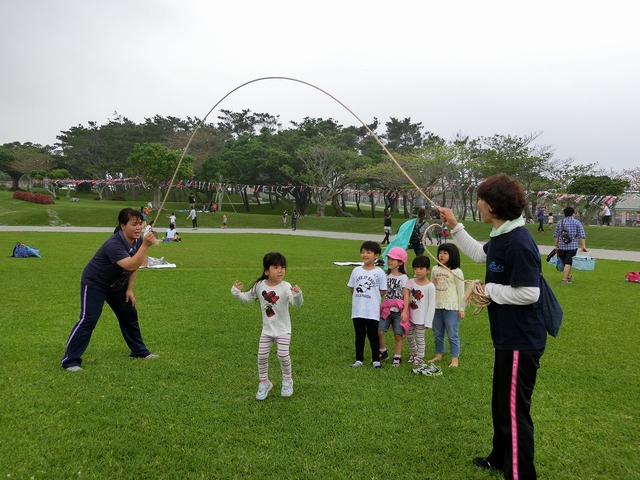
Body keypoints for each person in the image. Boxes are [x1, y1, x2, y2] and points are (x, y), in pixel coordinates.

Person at [439, 174, 546, 479]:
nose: (478, 204)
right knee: (502, 404)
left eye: (481, 199)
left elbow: (530, 293)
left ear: (493, 206)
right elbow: (482, 254)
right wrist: (455, 225)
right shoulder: (502, 234)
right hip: (507, 337)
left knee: (514, 410)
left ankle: (520, 474)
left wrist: (490, 290)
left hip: (521, 339)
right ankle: (500, 459)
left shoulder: (519, 242)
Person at [60, 208, 159, 372]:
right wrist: (145, 245)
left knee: (129, 314)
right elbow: (130, 265)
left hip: (116, 285)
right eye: (134, 224)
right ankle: (70, 361)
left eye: (140, 224)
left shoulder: (138, 241)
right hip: (95, 284)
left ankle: (139, 351)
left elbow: (136, 265)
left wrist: (129, 289)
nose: (138, 228)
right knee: (88, 320)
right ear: (122, 225)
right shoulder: (114, 244)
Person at [231, 252, 303, 400]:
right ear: (266, 271)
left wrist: (298, 295)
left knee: (283, 355)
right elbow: (247, 297)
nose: (280, 270)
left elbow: (296, 304)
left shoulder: (286, 286)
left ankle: (287, 381)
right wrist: (236, 293)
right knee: (262, 356)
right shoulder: (260, 285)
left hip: (283, 330)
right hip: (267, 330)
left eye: (283, 267)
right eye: (275, 267)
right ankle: (264, 383)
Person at [347, 241, 387, 368]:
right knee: (359, 335)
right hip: (358, 310)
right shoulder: (356, 271)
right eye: (363, 252)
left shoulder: (379, 272)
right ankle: (359, 359)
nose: (365, 255)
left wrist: (372, 297)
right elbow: (352, 288)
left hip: (372, 310)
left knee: (373, 335)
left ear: (376, 255)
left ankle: (376, 360)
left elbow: (383, 291)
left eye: (368, 252)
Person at [428, 243, 465, 368]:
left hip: (451, 308)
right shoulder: (435, 269)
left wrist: (461, 308)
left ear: (452, 255)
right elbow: (432, 287)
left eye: (445, 253)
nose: (441, 255)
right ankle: (438, 355)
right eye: (440, 252)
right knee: (438, 334)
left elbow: (461, 291)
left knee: (452, 334)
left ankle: (455, 359)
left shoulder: (457, 272)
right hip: (436, 307)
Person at [378, 247, 410, 366]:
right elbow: (382, 292)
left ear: (401, 262)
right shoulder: (385, 276)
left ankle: (397, 356)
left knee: (398, 334)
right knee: (379, 331)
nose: (390, 261)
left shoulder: (403, 278)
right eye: (389, 258)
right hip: (386, 309)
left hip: (398, 311)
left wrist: (405, 311)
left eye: (393, 259)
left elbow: (406, 295)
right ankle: (382, 351)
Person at [407, 255, 436, 366]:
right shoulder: (410, 282)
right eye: (415, 268)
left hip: (421, 318)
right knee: (409, 336)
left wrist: (428, 322)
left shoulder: (430, 287)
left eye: (421, 268)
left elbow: (432, 305)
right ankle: (414, 352)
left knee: (420, 338)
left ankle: (420, 357)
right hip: (410, 316)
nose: (418, 271)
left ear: (428, 270)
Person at [554, 206, 587, 284]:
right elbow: (582, 235)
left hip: (562, 246)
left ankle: (569, 277)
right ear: (573, 214)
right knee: (568, 263)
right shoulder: (577, 222)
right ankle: (564, 279)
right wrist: (583, 246)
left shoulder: (560, 222)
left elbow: (556, 235)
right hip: (572, 246)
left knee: (565, 262)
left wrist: (556, 245)